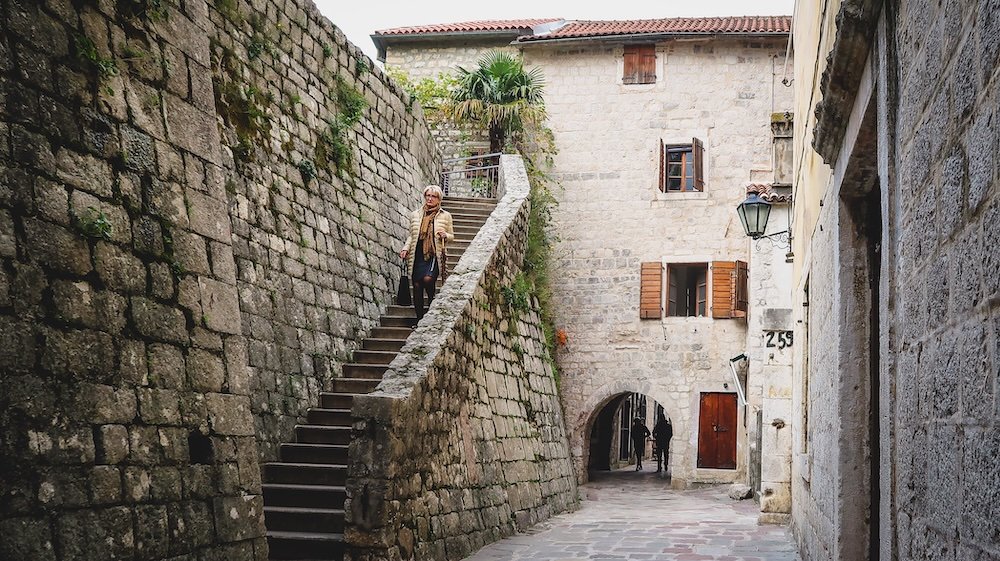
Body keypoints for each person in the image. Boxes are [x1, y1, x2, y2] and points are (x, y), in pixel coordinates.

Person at [399, 185, 454, 322]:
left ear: (439, 199)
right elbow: (411, 236)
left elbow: (452, 236)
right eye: (428, 196)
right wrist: (406, 248)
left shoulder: (445, 216)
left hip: (434, 253)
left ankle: (431, 300)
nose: (430, 199)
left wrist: (445, 234)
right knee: (417, 285)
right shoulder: (416, 215)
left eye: (433, 196)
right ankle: (419, 319)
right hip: (417, 252)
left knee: (428, 279)